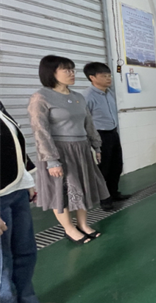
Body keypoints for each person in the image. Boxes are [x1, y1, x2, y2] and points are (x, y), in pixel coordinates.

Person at [28, 55, 108, 244]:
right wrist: (51, 160)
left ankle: (83, 224)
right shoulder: (41, 97)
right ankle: (69, 229)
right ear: (51, 73)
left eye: (72, 69)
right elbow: (40, 130)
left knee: (82, 188)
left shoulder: (78, 97)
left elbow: (88, 123)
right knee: (61, 192)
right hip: (58, 152)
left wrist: (96, 145)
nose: (72, 73)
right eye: (66, 70)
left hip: (81, 149)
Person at [0, 101, 57, 303]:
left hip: (14, 190)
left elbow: (14, 146)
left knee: (24, 252)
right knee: (1, 264)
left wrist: (27, 182)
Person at [81, 62, 130, 211]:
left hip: (113, 132)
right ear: (92, 77)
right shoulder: (87, 96)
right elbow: (84, 120)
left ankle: (114, 193)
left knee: (117, 165)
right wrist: (93, 142)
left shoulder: (110, 93)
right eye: (104, 76)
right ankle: (105, 199)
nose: (109, 78)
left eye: (109, 75)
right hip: (100, 135)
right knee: (104, 169)